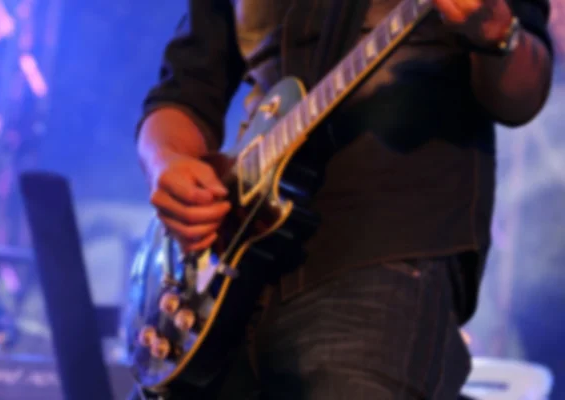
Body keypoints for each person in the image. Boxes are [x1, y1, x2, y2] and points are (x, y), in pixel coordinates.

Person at [135, 0, 553, 398]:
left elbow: (523, 95)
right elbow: (183, 92)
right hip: (232, 267)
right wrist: (168, 164)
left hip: (383, 253)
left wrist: (496, 33)